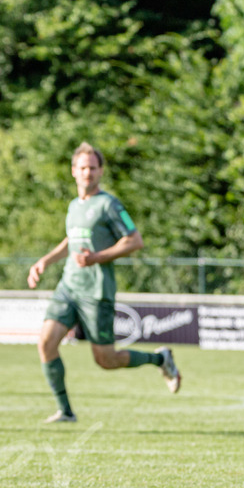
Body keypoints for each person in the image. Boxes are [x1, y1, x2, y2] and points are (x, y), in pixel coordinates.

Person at [27, 142, 181, 423]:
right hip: (68, 287)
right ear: (73, 171)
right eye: (82, 167)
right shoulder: (74, 206)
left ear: (100, 171)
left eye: (93, 168)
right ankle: (66, 411)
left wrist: (97, 257)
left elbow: (135, 240)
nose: (88, 173)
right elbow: (70, 242)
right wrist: (45, 261)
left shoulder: (110, 205)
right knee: (46, 343)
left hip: (96, 292)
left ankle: (161, 359)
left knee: (106, 360)